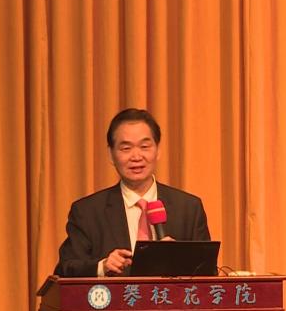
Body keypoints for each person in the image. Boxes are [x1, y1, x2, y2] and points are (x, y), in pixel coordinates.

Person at [54, 108, 211, 277]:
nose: (136, 156)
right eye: (126, 148)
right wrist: (102, 267)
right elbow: (66, 268)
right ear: (111, 155)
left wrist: (181, 260)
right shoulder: (87, 212)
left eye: (144, 146)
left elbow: (208, 272)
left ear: (158, 150)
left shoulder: (188, 208)